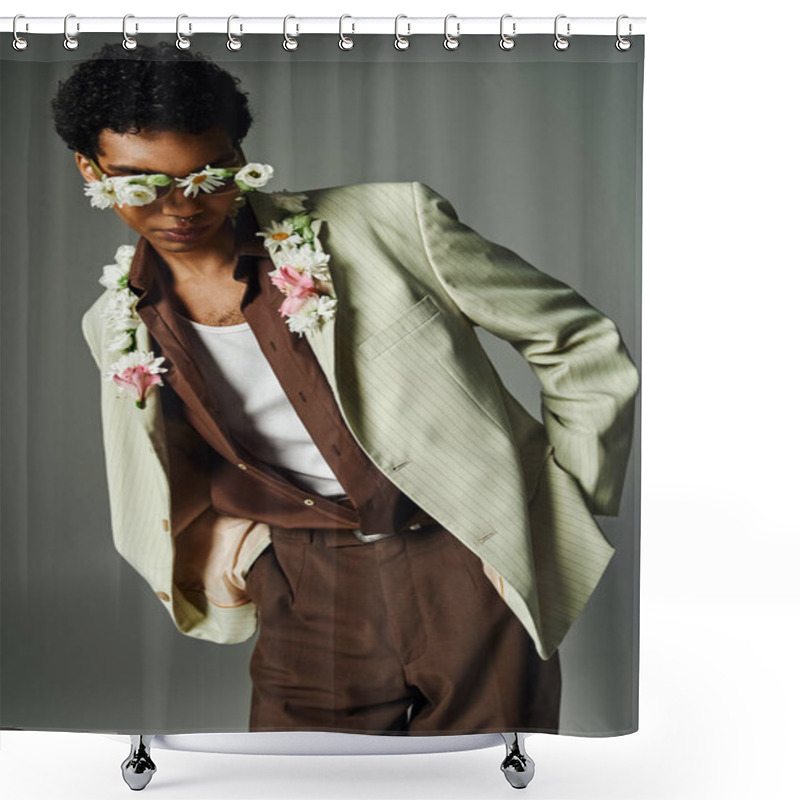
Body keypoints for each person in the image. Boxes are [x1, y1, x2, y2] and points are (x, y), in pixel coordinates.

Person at [52, 42, 640, 735]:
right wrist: (247, 557)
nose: (181, 207)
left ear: (239, 158)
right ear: (91, 170)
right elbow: (171, 461)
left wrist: (567, 495)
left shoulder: (390, 223)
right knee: (303, 782)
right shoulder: (115, 321)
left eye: (207, 175)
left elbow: (575, 338)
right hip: (303, 580)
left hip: (463, 556)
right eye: (142, 183)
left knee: (480, 780)